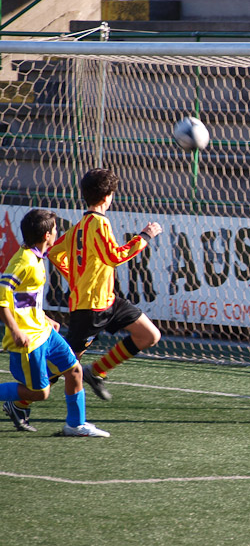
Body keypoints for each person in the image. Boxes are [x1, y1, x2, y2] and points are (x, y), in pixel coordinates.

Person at [47, 168, 163, 401]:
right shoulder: (98, 223)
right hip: (89, 306)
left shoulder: (79, 226)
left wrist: (75, 278)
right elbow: (114, 256)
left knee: (149, 335)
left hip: (108, 300)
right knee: (65, 364)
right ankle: (21, 399)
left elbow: (54, 253)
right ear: (108, 196)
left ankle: (96, 371)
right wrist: (145, 237)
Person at [0, 209, 109, 436]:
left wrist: (46, 318)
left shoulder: (37, 257)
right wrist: (16, 330)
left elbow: (24, 299)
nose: (57, 232)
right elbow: (2, 298)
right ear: (47, 235)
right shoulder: (23, 261)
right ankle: (13, 403)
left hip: (44, 332)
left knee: (75, 370)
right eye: (55, 229)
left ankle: (75, 425)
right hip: (29, 340)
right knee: (40, 393)